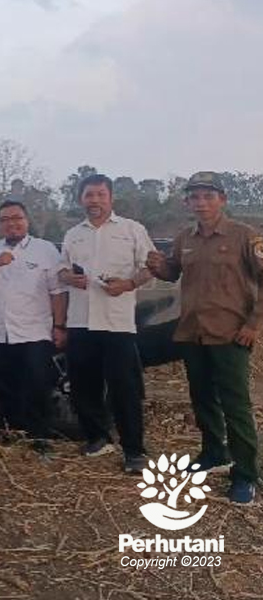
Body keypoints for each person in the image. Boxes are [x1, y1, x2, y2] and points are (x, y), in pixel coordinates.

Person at [146, 171, 260, 504]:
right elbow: (172, 273)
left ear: (222, 200)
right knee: (202, 398)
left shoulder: (244, 236)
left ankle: (245, 474)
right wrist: (158, 267)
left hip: (230, 334)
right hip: (192, 333)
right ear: (187, 202)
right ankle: (213, 453)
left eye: (208, 196)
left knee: (236, 406)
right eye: (194, 197)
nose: (201, 202)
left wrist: (253, 324)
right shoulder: (185, 238)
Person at [58, 173, 156, 474]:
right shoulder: (73, 234)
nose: (95, 200)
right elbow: (61, 270)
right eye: (89, 195)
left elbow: (150, 267)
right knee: (83, 386)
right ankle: (98, 438)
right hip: (81, 321)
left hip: (117, 323)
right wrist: (69, 277)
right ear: (81, 199)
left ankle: (134, 451)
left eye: (101, 194)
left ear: (111, 198)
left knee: (124, 388)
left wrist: (128, 284)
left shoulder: (132, 229)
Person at [0, 201, 66, 450]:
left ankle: (40, 436)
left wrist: (59, 326)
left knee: (37, 385)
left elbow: (57, 292)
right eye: (5, 219)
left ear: (26, 220)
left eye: (17, 218)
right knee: (4, 386)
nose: (11, 223)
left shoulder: (45, 250)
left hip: (34, 331)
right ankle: (13, 432)